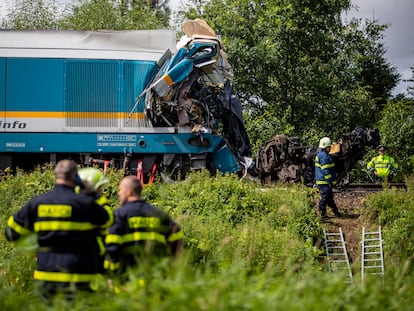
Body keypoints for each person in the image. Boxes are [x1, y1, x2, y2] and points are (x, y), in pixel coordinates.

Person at [4, 160, 114, 300]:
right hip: (79, 278)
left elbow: (10, 233)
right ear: (76, 178)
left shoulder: (37, 203)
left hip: (46, 277)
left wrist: (33, 245)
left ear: (56, 175)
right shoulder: (85, 204)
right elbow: (108, 220)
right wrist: (93, 195)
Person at [104, 176, 183, 277]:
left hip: (129, 282)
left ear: (129, 191)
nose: (118, 193)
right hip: (156, 280)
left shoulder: (119, 215)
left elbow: (112, 249)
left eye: (120, 189)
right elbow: (176, 236)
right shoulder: (159, 214)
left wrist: (111, 276)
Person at [77, 167, 111, 273]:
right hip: (93, 258)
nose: (101, 192)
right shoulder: (99, 208)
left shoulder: (67, 204)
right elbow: (108, 221)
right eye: (99, 188)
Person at [314, 137, 342, 219]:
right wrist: (330, 181)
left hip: (323, 181)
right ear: (326, 147)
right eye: (329, 147)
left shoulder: (321, 155)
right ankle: (322, 215)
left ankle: (336, 212)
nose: (330, 148)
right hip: (324, 182)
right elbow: (326, 171)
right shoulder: (324, 157)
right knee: (324, 198)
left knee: (329, 198)